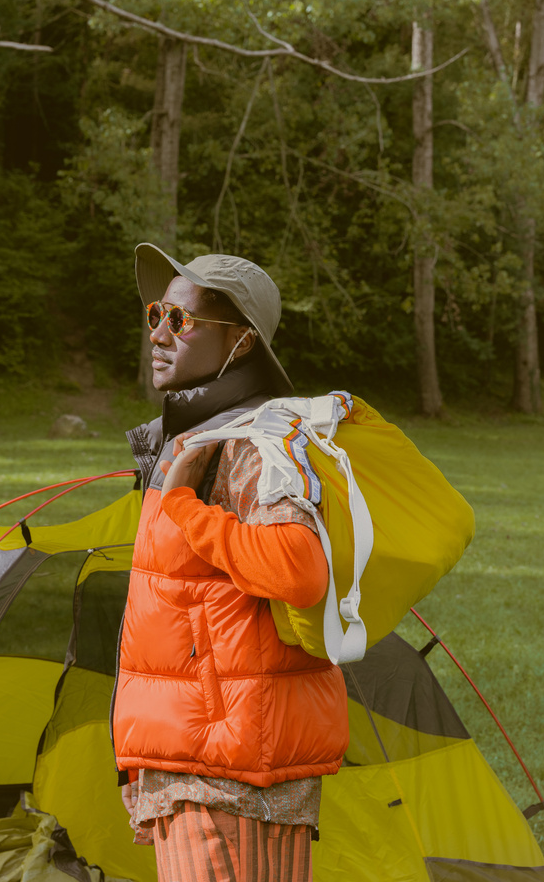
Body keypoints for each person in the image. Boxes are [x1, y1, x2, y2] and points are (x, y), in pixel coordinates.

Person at [112, 243, 348, 881]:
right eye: (156, 314)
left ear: (241, 345)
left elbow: (298, 568)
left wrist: (183, 506)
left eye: (181, 321)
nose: (159, 332)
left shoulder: (258, 441)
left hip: (232, 768)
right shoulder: (198, 436)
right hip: (198, 750)